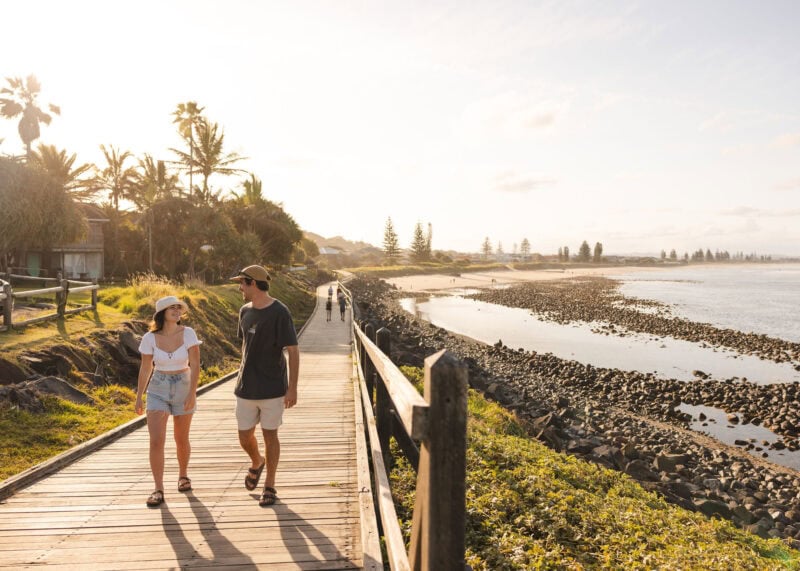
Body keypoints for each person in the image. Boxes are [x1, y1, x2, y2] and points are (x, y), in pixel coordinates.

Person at [230, 265, 299, 507]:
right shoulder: (244, 311)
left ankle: (269, 485)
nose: (239, 288)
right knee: (244, 435)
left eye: (242, 283)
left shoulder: (280, 312)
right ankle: (257, 461)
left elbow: (293, 350)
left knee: (271, 435)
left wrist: (292, 388)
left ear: (253, 283)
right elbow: (246, 347)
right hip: (246, 385)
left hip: (273, 386)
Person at [135, 295, 201, 507]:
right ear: (161, 313)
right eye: (171, 308)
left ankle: (183, 475)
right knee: (156, 441)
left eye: (178, 308)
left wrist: (192, 393)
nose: (176, 311)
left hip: (183, 385)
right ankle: (158, 489)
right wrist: (139, 396)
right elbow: (146, 368)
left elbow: (196, 364)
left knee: (181, 439)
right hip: (158, 388)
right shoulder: (149, 338)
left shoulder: (188, 333)